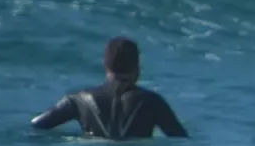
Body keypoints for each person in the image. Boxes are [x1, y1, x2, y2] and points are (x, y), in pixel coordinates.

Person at [31, 36, 187, 140]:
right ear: (137, 69)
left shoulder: (78, 100)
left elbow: (37, 125)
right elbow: (181, 140)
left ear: (106, 66)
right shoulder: (152, 102)